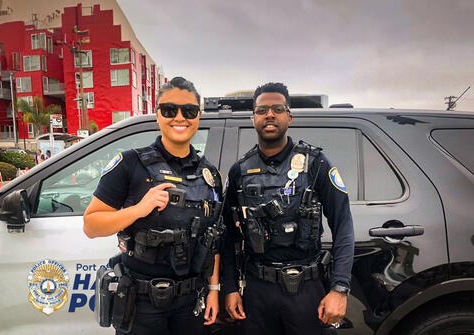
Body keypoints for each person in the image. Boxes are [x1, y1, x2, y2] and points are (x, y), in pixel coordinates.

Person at [84, 77, 222, 335]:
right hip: (141, 303)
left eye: (189, 111)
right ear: (158, 114)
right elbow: (91, 225)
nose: (179, 117)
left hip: (192, 301)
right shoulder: (129, 163)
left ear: (198, 117)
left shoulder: (211, 175)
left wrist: (214, 291)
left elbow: (213, 239)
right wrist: (139, 209)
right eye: (170, 110)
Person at [222, 82, 355, 335]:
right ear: (253, 118)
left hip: (306, 290)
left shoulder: (316, 164)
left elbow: (343, 226)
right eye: (262, 110)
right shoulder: (239, 171)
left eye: (277, 109)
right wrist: (230, 288)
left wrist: (339, 288)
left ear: (289, 117)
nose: (269, 115)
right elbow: (228, 236)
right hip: (256, 291)